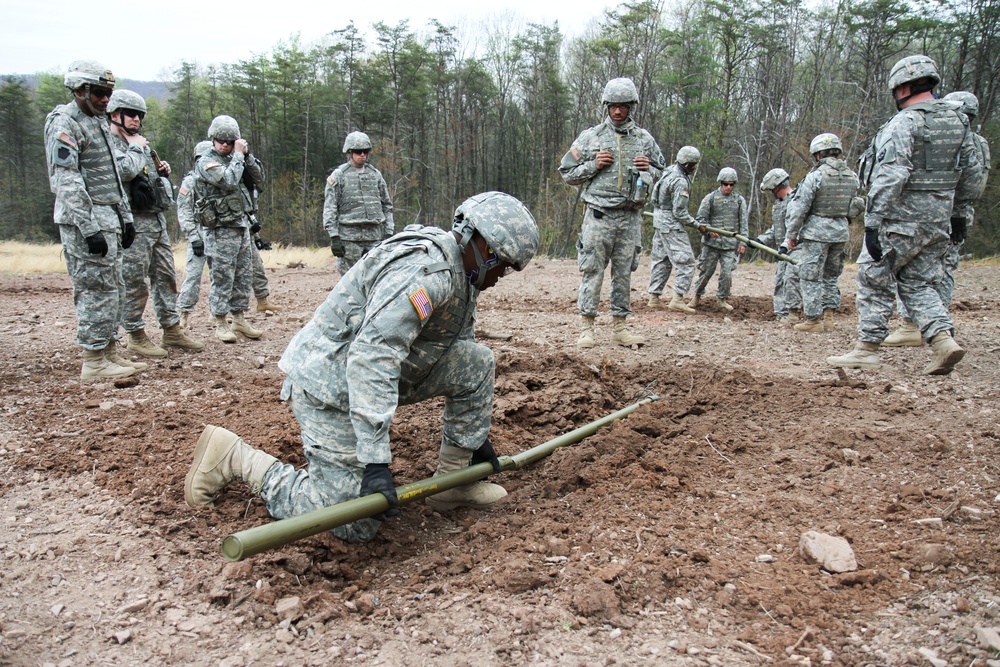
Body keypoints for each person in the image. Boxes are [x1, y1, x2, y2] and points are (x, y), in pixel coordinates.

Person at [184, 192, 539, 543]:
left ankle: (452, 484)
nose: (501, 275)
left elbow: (457, 343)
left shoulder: (463, 271)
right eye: (502, 264)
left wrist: (472, 439)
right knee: (355, 522)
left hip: (384, 371)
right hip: (329, 384)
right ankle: (237, 457)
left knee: (476, 363)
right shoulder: (424, 272)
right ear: (481, 245)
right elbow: (374, 357)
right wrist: (375, 461)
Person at [828, 55, 982, 375]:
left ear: (905, 87)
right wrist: (959, 215)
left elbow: (892, 174)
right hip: (939, 220)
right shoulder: (959, 122)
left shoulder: (906, 122)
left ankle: (867, 349)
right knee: (917, 283)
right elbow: (972, 173)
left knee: (872, 276)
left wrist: (873, 221)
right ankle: (943, 342)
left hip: (901, 219)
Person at [44, 60, 142, 380]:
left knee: (113, 286)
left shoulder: (98, 121)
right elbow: (66, 180)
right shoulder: (65, 123)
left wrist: (125, 217)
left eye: (108, 93)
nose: (105, 100)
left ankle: (108, 352)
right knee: (95, 289)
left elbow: (113, 175)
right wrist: (89, 228)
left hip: (109, 216)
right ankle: (94, 359)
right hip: (85, 221)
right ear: (79, 90)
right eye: (99, 92)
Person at [559, 77, 665, 348]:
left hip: (630, 217)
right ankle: (587, 328)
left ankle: (620, 327)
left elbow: (662, 174)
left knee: (623, 273)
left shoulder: (644, 139)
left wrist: (648, 170)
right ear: (606, 106)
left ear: (632, 107)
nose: (618, 112)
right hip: (598, 215)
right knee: (592, 271)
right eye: (613, 106)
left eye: (624, 107)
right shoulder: (591, 137)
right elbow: (567, 173)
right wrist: (593, 164)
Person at [882, 90, 991, 347]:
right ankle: (939, 328)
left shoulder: (934, 134)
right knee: (942, 271)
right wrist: (960, 213)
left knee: (911, 274)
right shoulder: (978, 143)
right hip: (954, 214)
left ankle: (913, 325)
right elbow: (974, 183)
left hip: (925, 212)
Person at [107, 90, 204, 357]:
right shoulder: (111, 144)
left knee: (166, 277)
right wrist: (138, 147)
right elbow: (123, 171)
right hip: (132, 224)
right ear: (115, 115)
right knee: (134, 280)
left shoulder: (142, 146)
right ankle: (135, 334)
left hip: (155, 219)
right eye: (131, 114)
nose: (136, 119)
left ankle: (171, 330)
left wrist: (161, 173)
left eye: (140, 115)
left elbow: (144, 176)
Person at [192, 115, 266, 343]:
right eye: (220, 140)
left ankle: (239, 319)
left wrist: (248, 157)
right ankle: (220, 320)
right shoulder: (206, 162)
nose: (224, 144)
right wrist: (238, 156)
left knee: (243, 275)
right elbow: (229, 181)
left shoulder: (238, 158)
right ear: (213, 139)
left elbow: (260, 181)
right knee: (222, 276)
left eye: (230, 140)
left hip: (240, 224)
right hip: (220, 228)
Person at [782, 134, 863, 333]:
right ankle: (829, 316)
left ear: (818, 154)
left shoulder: (816, 176)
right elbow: (856, 204)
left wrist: (791, 235)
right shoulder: (852, 176)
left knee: (810, 276)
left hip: (816, 234)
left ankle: (813, 319)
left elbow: (800, 208)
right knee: (831, 276)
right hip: (840, 233)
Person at [324, 131, 395, 275]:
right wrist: (334, 236)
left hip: (375, 237)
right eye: (358, 151)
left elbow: (387, 206)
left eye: (365, 151)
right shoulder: (339, 176)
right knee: (350, 282)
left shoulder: (375, 175)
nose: (362, 154)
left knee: (377, 277)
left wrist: (389, 232)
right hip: (349, 239)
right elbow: (330, 208)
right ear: (350, 152)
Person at [646, 146, 699, 314]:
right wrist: (696, 224)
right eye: (694, 165)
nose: (694, 168)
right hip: (671, 224)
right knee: (686, 261)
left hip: (659, 220)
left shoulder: (669, 171)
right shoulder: (680, 181)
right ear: (689, 164)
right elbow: (679, 212)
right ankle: (678, 299)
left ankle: (654, 297)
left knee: (661, 260)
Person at [689, 168, 748, 312]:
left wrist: (743, 242)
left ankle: (722, 298)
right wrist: (708, 231)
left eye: (731, 184)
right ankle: (697, 296)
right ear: (720, 183)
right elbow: (700, 220)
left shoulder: (739, 201)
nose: (728, 187)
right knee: (706, 272)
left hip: (729, 245)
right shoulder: (709, 198)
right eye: (726, 184)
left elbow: (743, 223)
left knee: (726, 274)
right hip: (711, 245)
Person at [755, 168, 803, 323]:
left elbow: (795, 228)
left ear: (776, 187)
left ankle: (794, 314)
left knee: (791, 280)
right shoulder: (780, 204)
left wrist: (786, 245)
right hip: (784, 250)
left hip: (796, 248)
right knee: (780, 280)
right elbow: (777, 228)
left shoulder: (796, 201)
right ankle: (781, 313)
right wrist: (761, 240)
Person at [176, 141, 213, 329]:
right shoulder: (190, 182)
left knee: (221, 275)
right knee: (193, 276)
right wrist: (194, 238)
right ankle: (183, 313)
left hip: (216, 232)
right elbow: (184, 211)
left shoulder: (217, 180)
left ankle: (218, 313)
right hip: (198, 233)